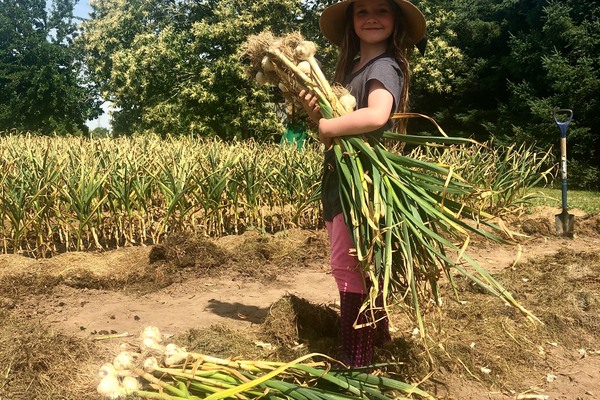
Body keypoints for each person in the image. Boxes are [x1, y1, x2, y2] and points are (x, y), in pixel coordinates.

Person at [298, 0, 426, 367]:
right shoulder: (353, 68)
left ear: (396, 20)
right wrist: (316, 111)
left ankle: (356, 356)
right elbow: (338, 129)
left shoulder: (384, 65)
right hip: (343, 176)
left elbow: (376, 115)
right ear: (352, 21)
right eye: (362, 11)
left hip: (361, 183)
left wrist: (326, 126)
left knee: (348, 264)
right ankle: (379, 339)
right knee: (362, 261)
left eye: (382, 10)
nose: (371, 17)